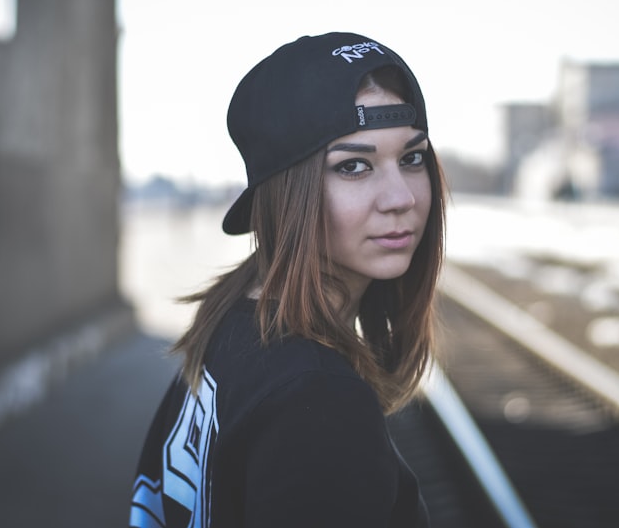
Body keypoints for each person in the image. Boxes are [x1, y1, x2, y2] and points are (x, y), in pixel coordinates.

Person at [129, 32, 448, 528]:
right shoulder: (317, 401)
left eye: (411, 158)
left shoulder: (233, 318)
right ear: (287, 195)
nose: (400, 197)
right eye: (354, 167)